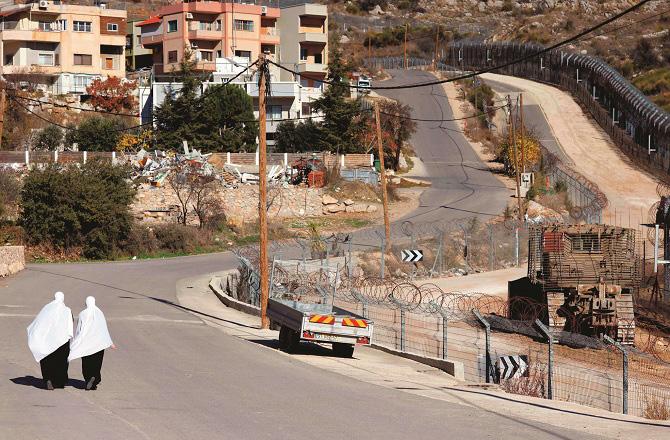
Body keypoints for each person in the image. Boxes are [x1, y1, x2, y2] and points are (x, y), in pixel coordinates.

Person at [27, 292, 74, 390]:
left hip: (47, 340)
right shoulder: (67, 310)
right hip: (62, 341)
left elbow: (39, 321)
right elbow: (71, 323)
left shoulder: (47, 308)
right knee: (61, 361)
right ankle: (59, 382)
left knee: (47, 359)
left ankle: (48, 378)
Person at [68, 296, 115, 391]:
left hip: (86, 343)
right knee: (97, 362)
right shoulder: (100, 313)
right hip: (99, 344)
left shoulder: (82, 314)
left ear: (86, 303)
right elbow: (104, 329)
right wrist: (110, 342)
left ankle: (89, 378)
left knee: (86, 362)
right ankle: (94, 378)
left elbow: (79, 329)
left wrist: (77, 341)